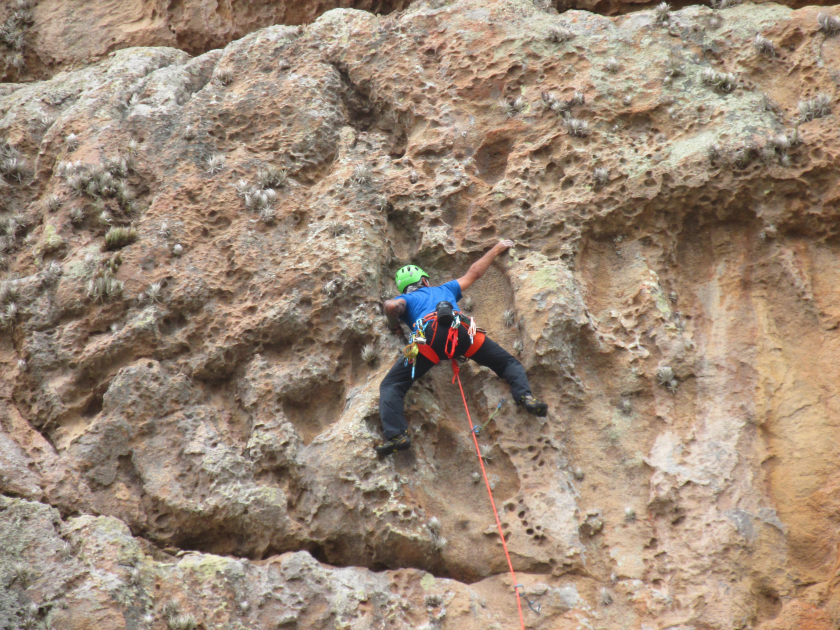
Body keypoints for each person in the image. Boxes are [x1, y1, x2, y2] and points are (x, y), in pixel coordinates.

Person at [375, 239, 548, 457]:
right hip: (463, 335)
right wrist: (495, 249)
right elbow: (474, 273)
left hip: (429, 343)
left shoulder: (406, 298)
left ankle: (398, 435)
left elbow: (391, 306)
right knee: (507, 363)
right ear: (425, 281)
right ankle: (526, 397)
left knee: (392, 384)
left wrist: (395, 326)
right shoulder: (445, 289)